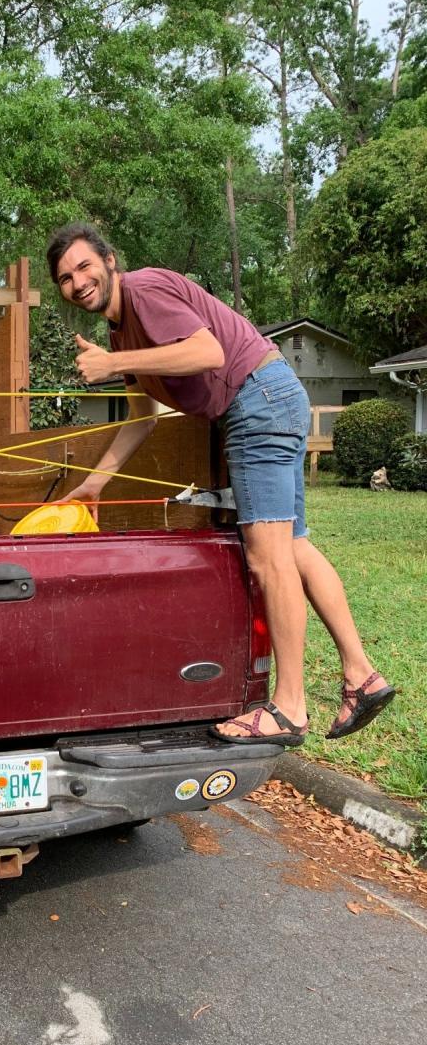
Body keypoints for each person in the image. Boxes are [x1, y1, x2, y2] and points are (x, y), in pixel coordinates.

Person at [46, 221, 394, 746]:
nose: (78, 282)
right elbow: (141, 420)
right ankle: (362, 675)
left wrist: (116, 362)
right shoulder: (123, 332)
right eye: (65, 278)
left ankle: (289, 708)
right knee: (293, 548)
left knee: (267, 558)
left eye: (84, 266)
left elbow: (207, 352)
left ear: (110, 260)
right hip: (270, 398)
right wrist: (95, 484)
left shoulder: (145, 291)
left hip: (256, 403)